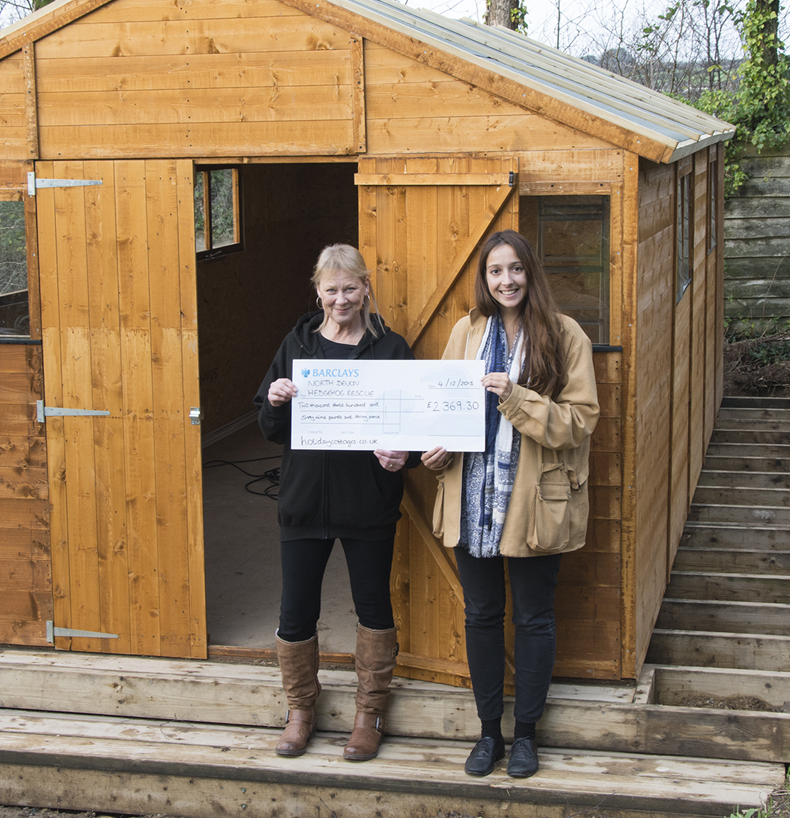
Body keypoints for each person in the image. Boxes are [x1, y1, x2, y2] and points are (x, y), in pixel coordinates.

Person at [420, 230, 599, 779]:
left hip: (534, 504)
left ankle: (526, 736)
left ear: (531, 273)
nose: (506, 281)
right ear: (485, 278)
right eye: (496, 271)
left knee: (535, 618)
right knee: (480, 616)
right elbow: (442, 406)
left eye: (516, 269)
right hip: (472, 499)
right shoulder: (466, 331)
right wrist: (436, 445)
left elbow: (580, 421)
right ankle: (488, 734)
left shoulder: (566, 335)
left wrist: (517, 398)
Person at [254, 244, 413, 762]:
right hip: (303, 501)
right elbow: (269, 426)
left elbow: (411, 427)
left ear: (365, 288)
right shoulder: (298, 344)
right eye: (331, 289)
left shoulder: (391, 348)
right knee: (295, 610)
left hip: (367, 501)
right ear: (317, 291)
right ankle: (301, 710)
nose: (340, 299)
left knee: (373, 608)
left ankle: (370, 715)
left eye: (350, 288)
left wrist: (403, 456)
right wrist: (276, 399)